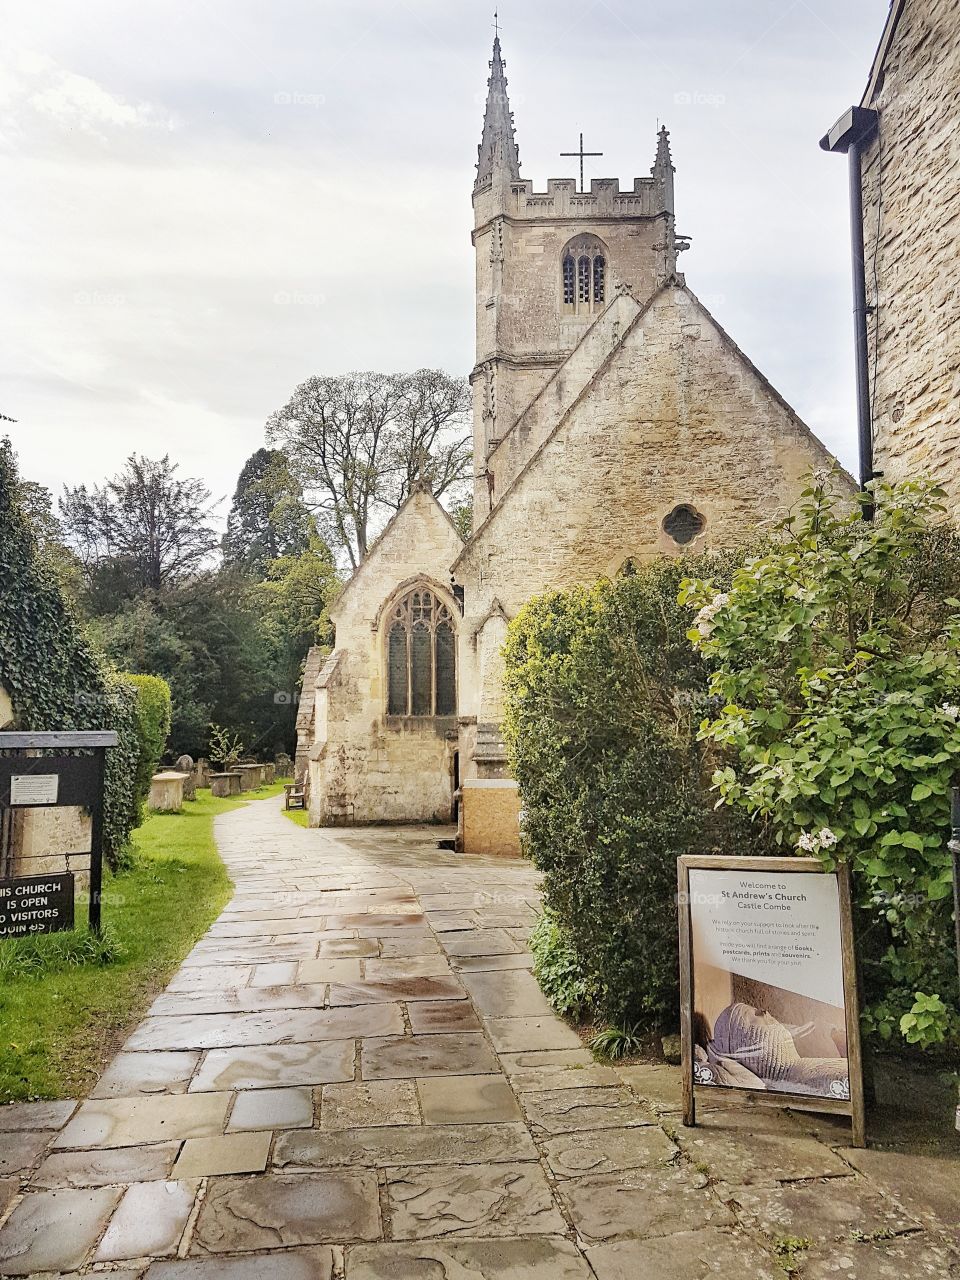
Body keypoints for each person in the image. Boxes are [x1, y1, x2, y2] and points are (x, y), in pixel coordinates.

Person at [693, 1000, 849, 1099]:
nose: (764, 1011)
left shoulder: (801, 1070)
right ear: (744, 1043)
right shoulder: (800, 1080)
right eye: (754, 1015)